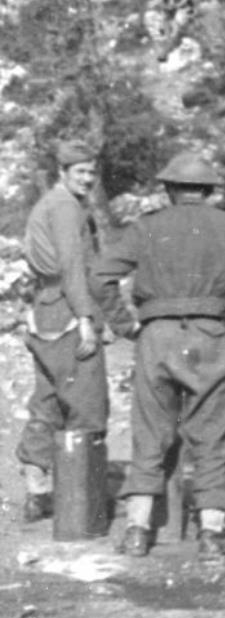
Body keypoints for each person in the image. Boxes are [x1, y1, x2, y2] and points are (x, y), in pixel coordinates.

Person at [93, 152, 225, 558]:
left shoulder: (145, 227)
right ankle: (213, 533)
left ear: (168, 189)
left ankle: (136, 530)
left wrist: (125, 325)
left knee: (149, 433)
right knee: (211, 432)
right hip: (210, 334)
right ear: (209, 191)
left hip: (156, 337)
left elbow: (100, 276)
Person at [16, 141, 131, 523]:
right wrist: (86, 318)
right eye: (80, 171)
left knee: (48, 403)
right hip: (68, 311)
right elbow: (72, 267)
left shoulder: (47, 204)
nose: (87, 179)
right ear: (62, 172)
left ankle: (37, 492)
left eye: (91, 172)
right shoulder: (66, 207)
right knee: (87, 404)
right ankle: (84, 501)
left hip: (45, 311)